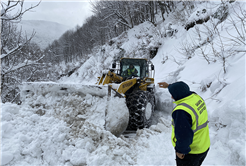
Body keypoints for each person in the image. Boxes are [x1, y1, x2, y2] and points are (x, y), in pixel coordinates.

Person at [158, 81, 210, 166]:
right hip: (203, 145)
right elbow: (182, 89)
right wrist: (169, 86)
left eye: (173, 95)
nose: (171, 97)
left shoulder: (182, 111)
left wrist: (181, 151)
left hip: (191, 152)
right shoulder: (196, 97)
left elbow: (184, 135)